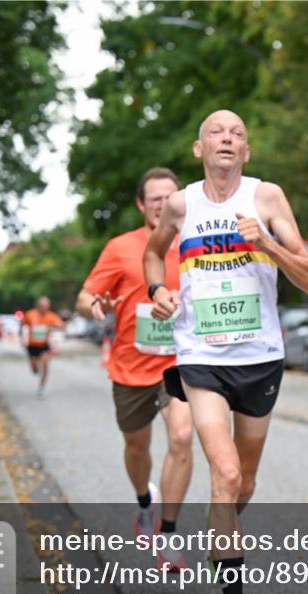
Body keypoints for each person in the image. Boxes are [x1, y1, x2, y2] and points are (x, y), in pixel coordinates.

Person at [145, 109, 308, 594]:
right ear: (199, 149)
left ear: (247, 152)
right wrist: (158, 289)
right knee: (223, 473)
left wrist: (266, 243)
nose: (228, 139)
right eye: (217, 132)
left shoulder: (267, 198)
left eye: (238, 134)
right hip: (201, 357)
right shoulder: (181, 204)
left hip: (261, 359)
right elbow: (154, 251)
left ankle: (223, 515)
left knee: (242, 484)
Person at [77, 167, 195, 572]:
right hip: (130, 366)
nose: (163, 204)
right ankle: (144, 504)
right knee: (136, 447)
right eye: (155, 199)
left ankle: (168, 533)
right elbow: (85, 296)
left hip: (181, 363)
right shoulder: (120, 247)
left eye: (170, 196)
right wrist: (94, 307)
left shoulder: (198, 243)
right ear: (142, 205)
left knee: (182, 436)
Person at [20, 296, 64, 397]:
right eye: (42, 306)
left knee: (45, 364)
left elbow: (61, 325)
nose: (45, 308)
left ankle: (41, 387)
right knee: (34, 369)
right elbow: (23, 326)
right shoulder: (30, 314)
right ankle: (35, 366)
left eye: (47, 306)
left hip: (45, 345)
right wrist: (22, 339)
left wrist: (57, 329)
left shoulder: (51, 316)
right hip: (32, 345)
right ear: (38, 306)